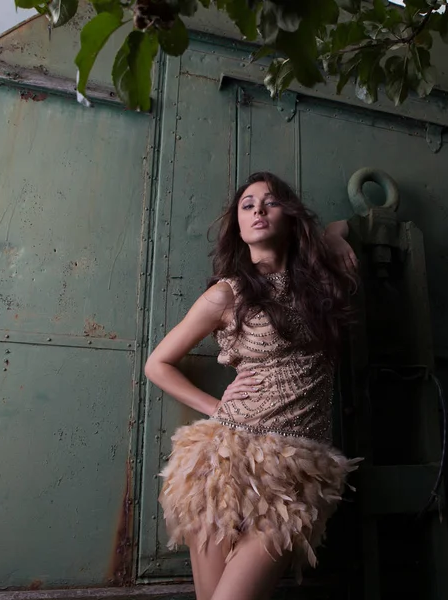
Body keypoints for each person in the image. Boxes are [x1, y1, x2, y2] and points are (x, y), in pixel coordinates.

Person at [144, 172, 361, 600]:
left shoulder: (322, 283)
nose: (258, 210)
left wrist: (333, 235)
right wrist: (216, 407)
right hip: (222, 461)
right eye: (247, 205)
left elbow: (342, 225)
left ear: (291, 216)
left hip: (298, 471)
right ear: (239, 227)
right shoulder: (228, 294)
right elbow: (158, 363)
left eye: (271, 202)